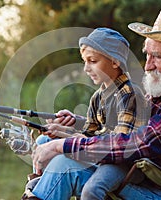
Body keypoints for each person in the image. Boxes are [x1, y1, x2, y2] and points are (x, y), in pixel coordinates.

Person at [26, 7, 161, 200]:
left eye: (157, 57)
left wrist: (63, 145)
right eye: (147, 55)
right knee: (50, 148)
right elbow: (122, 127)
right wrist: (76, 122)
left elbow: (132, 144)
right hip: (139, 177)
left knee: (64, 165)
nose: (148, 65)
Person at [25, 27, 146, 199]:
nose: (86, 68)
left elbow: (120, 142)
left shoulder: (129, 94)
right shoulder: (98, 97)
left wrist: (68, 140)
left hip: (124, 163)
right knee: (44, 140)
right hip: (102, 154)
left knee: (88, 183)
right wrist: (60, 132)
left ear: (114, 62)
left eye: (93, 61)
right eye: (84, 61)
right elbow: (88, 133)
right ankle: (43, 183)